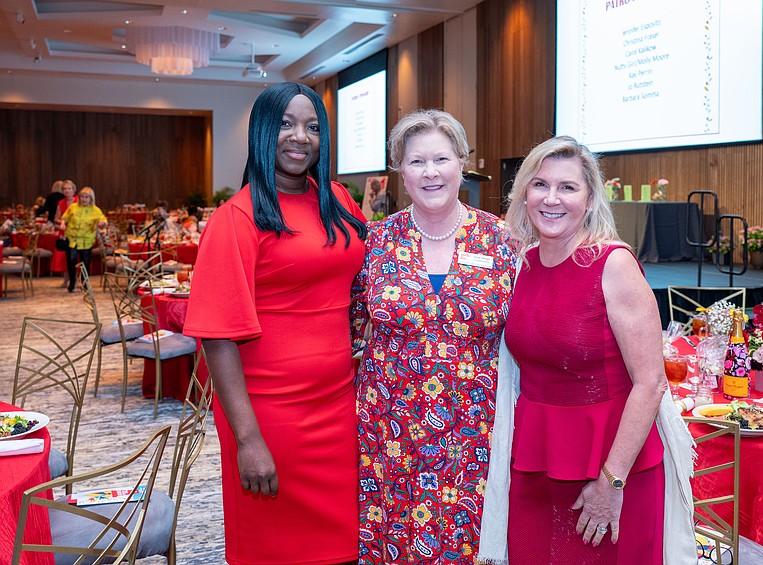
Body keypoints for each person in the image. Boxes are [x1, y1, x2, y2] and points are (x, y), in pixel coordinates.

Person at [478, 135, 696, 565]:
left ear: (591, 198)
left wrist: (611, 481)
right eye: (540, 185)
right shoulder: (525, 264)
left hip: (611, 468)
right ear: (524, 195)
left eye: (568, 187)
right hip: (534, 462)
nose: (551, 198)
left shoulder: (612, 263)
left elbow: (650, 383)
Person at [183, 82, 367, 565]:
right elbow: (217, 336)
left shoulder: (339, 201)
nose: (299, 137)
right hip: (270, 415)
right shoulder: (237, 218)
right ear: (263, 131)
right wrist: (248, 439)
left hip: (339, 404)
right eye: (285, 124)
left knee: (345, 544)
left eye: (311, 127)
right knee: (277, 548)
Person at [351, 109, 517, 564]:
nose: (430, 173)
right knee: (395, 542)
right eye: (416, 162)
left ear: (462, 162)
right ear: (399, 171)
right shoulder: (374, 242)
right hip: (390, 432)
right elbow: (348, 332)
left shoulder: (503, 240)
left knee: (473, 544)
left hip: (476, 429)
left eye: (441, 159)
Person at [60, 186, 107, 292]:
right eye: (82, 197)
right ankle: (72, 282)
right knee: (71, 260)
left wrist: (102, 223)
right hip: (72, 239)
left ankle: (85, 283)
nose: (84, 199)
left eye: (86, 197)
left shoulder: (95, 210)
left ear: (91, 199)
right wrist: (63, 224)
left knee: (85, 263)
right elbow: (65, 218)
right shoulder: (73, 207)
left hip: (86, 240)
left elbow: (103, 221)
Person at [54, 180, 78, 287]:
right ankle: (65, 279)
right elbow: (57, 218)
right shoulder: (61, 203)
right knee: (65, 257)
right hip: (64, 232)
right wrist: (63, 222)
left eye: (69, 188)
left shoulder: (78, 201)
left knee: (75, 257)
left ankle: (76, 280)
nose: (67, 191)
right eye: (65, 189)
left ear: (73, 190)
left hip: (76, 232)